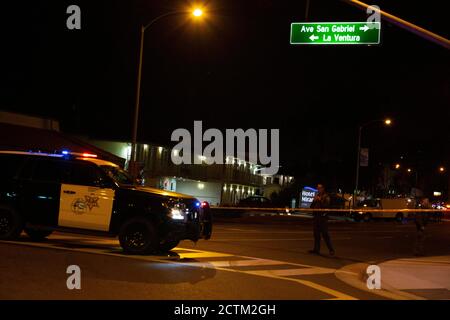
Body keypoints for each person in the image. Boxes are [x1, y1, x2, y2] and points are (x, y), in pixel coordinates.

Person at [308, 184, 335, 256]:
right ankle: (316, 249)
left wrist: (320, 201)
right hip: (316, 217)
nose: (318, 189)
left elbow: (326, 207)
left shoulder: (326, 197)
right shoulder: (317, 196)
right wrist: (314, 201)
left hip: (323, 218)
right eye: (317, 188)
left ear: (323, 189)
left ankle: (331, 250)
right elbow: (311, 207)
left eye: (320, 188)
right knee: (316, 235)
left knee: (325, 234)